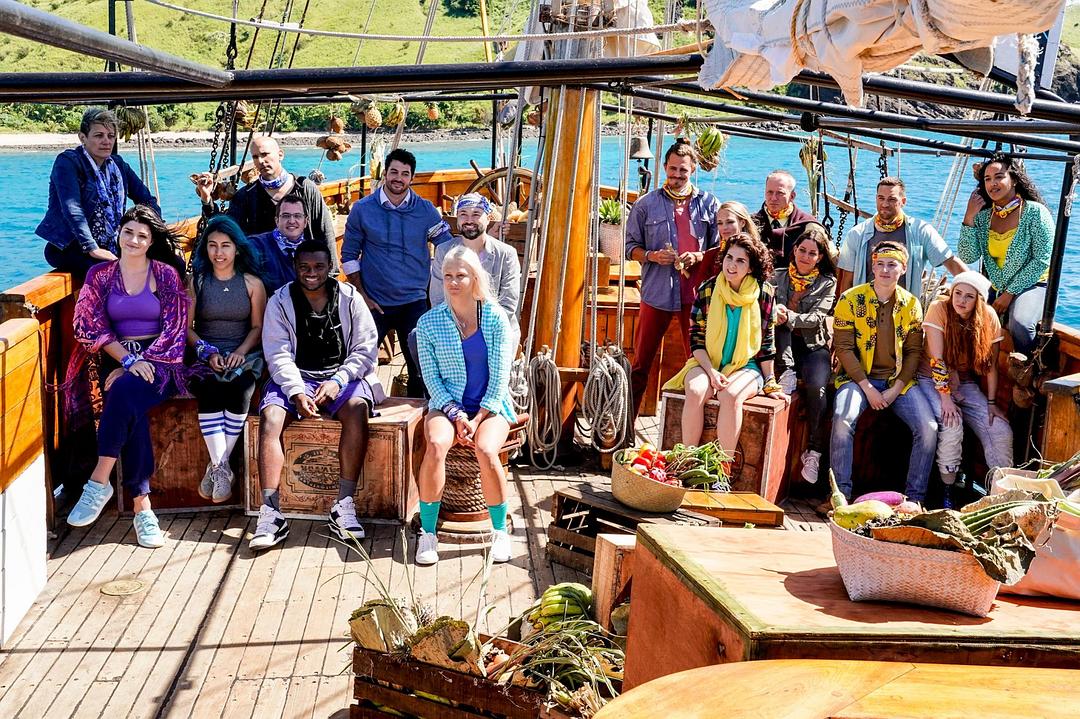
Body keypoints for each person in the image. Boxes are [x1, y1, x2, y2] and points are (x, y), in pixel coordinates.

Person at [63, 206, 190, 548]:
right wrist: (127, 360)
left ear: (151, 242)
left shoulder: (165, 275)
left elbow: (175, 329)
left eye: (142, 236)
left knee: (123, 392)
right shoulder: (100, 275)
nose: (134, 240)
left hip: (162, 360)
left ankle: (99, 481)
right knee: (128, 400)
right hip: (118, 356)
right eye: (128, 232)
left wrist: (142, 360)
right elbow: (88, 325)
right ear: (118, 235)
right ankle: (142, 508)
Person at [250, 241, 383, 551]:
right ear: (295, 268)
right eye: (304, 267)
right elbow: (277, 352)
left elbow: (366, 348)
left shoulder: (350, 298)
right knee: (270, 417)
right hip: (297, 376)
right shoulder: (280, 301)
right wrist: (296, 391)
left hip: (342, 375)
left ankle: (343, 505)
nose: (312, 273)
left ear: (330, 268)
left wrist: (339, 380)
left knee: (357, 409)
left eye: (319, 267)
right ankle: (271, 512)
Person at [413, 246, 518, 566]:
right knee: (435, 443)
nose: (453, 282)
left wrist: (478, 417)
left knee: (486, 449)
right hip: (448, 405)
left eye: (461, 275)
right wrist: (457, 415)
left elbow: (500, 377)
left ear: (475, 278)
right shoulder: (428, 323)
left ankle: (499, 532)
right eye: (447, 276)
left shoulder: (496, 318)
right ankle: (428, 533)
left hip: (492, 406)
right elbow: (432, 380)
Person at [341, 147, 453, 397]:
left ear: (412, 177)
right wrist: (362, 295)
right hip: (373, 302)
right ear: (385, 174)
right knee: (358, 365)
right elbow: (348, 256)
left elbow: (447, 247)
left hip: (414, 301)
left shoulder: (426, 210)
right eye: (394, 172)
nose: (398, 178)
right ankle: (362, 408)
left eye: (405, 174)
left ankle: (417, 416)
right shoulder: (362, 209)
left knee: (421, 371)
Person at [830, 241, 937, 504]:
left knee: (928, 428)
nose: (885, 270)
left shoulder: (911, 305)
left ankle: (914, 500)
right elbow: (844, 348)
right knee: (843, 419)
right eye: (880, 264)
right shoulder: (850, 299)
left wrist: (895, 389)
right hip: (856, 379)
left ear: (903, 268)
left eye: (892, 265)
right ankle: (840, 494)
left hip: (897, 382)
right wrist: (867, 388)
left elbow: (913, 352)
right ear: (873, 266)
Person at [624, 138, 722, 416]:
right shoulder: (645, 205)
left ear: (693, 171)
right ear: (665, 167)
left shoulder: (709, 204)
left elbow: (719, 249)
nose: (677, 175)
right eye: (673, 169)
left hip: (695, 297)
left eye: (683, 171)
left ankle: (693, 426)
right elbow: (630, 247)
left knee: (698, 362)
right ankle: (626, 426)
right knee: (641, 364)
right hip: (656, 294)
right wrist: (652, 256)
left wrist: (698, 256)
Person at [663, 233, 783, 453]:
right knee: (695, 390)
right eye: (729, 257)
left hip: (746, 366)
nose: (732, 265)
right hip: (706, 362)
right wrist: (711, 372)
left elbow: (767, 343)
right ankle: (688, 459)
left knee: (731, 395)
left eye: (740, 260)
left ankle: (724, 467)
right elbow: (696, 339)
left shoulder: (764, 293)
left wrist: (770, 381)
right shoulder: (708, 289)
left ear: (751, 267)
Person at [186, 215, 268, 504]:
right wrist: (207, 352)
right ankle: (222, 468)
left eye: (225, 245)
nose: (218, 253)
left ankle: (217, 467)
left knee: (240, 391)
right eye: (212, 245)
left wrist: (240, 352)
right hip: (205, 355)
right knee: (209, 390)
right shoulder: (196, 282)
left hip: (243, 354)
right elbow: (187, 329)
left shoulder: (252, 284)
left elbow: (257, 327)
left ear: (237, 248)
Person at [916, 271, 1013, 508]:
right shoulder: (939, 309)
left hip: (964, 381)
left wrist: (991, 403)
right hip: (930, 379)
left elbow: (990, 366)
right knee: (952, 425)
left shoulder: (988, 317)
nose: (961, 300)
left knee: (1000, 430)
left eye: (969, 296)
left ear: (979, 300)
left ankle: (1000, 495)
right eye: (957, 293)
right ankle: (947, 491)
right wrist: (946, 399)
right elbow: (937, 361)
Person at [36, 108, 161, 279]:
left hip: (112, 244)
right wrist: (92, 248)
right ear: (83, 137)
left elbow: (147, 200)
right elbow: (73, 209)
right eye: (99, 135)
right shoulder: (68, 162)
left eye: (111, 136)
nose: (106, 141)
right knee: (117, 274)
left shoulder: (118, 165)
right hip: (71, 247)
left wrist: (157, 232)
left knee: (172, 262)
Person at [957, 152, 1053, 354]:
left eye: (999, 177)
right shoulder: (983, 217)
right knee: (962, 315)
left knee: (1020, 323)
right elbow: (968, 256)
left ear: (1014, 180)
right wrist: (969, 217)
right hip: (998, 286)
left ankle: (1029, 368)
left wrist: (1009, 293)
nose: (992, 183)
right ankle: (974, 367)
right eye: (987, 179)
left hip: (1035, 283)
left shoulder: (1035, 212)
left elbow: (1042, 260)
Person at [772, 227, 837, 484]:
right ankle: (786, 369)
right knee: (780, 322)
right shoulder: (777, 276)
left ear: (820, 257)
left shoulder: (827, 283)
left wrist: (788, 315)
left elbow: (817, 318)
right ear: (794, 251)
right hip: (781, 345)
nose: (805, 257)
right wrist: (777, 313)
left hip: (812, 346)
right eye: (802, 250)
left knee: (818, 389)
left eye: (812, 253)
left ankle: (814, 451)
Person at [195, 136, 336, 251]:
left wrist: (331, 273)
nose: (260, 161)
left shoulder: (305, 188)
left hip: (303, 270)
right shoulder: (246, 195)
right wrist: (206, 198)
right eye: (255, 157)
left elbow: (325, 231)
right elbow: (226, 230)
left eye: (264, 154)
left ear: (280, 155)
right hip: (263, 272)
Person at [837, 176, 966, 296]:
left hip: (906, 309)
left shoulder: (920, 231)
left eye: (892, 199)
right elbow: (846, 280)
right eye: (881, 198)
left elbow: (951, 262)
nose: (885, 204)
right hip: (864, 308)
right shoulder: (857, 234)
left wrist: (975, 285)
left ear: (903, 201)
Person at [430, 193, 522, 339]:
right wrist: (459, 331)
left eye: (476, 214)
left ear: (488, 218)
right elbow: (438, 298)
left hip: (497, 331)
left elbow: (508, 303)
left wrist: (477, 333)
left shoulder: (506, 254)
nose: (469, 220)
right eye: (463, 214)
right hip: (454, 329)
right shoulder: (443, 251)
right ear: (457, 219)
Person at [751, 170, 822, 268]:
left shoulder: (808, 225)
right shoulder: (751, 224)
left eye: (780, 193)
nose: (773, 198)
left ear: (792, 196)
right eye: (770, 192)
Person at [247, 193, 308, 295]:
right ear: (277, 221)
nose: (292, 221)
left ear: (305, 222)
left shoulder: (312, 251)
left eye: (297, 216)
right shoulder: (256, 245)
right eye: (286, 216)